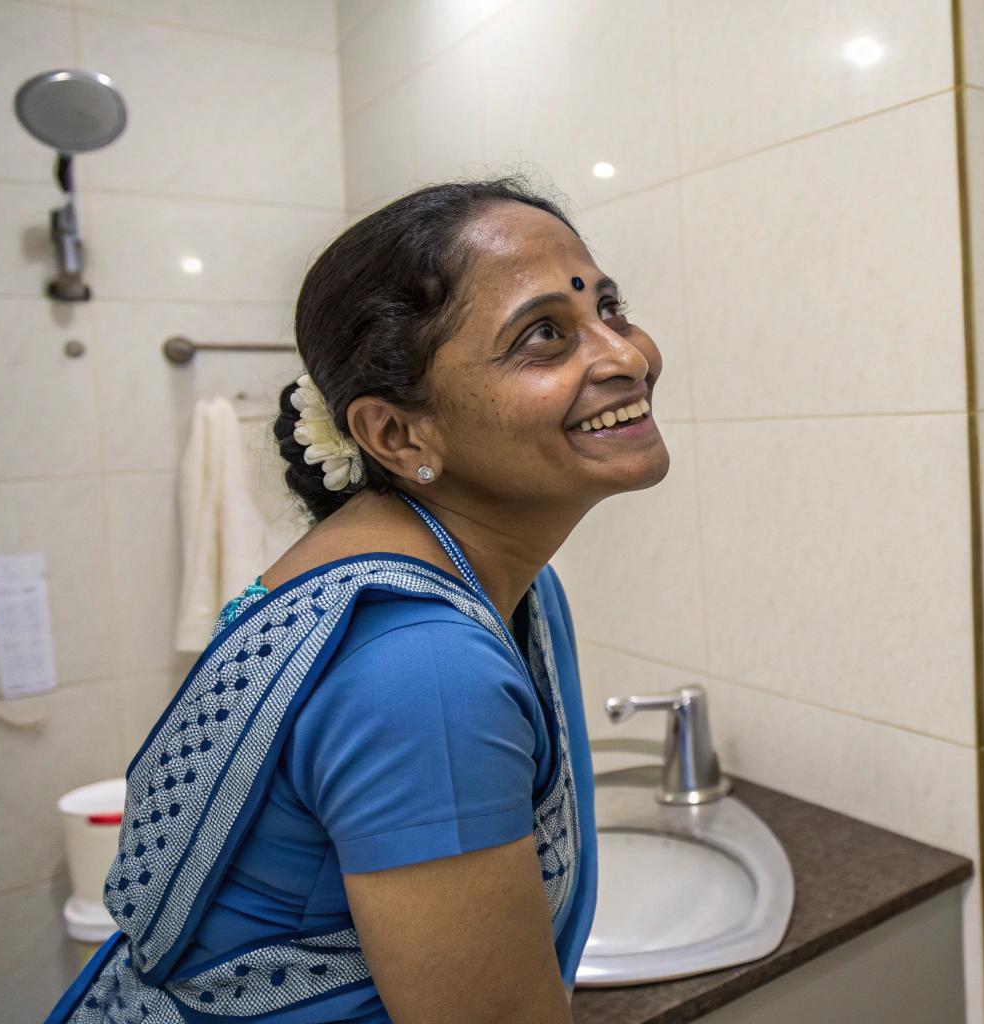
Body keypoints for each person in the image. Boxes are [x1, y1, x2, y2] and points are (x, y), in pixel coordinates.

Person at [47, 178, 670, 1023]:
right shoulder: (422, 665)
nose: (625, 354)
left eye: (610, 307)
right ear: (398, 435)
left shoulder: (457, 585)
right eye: (544, 336)